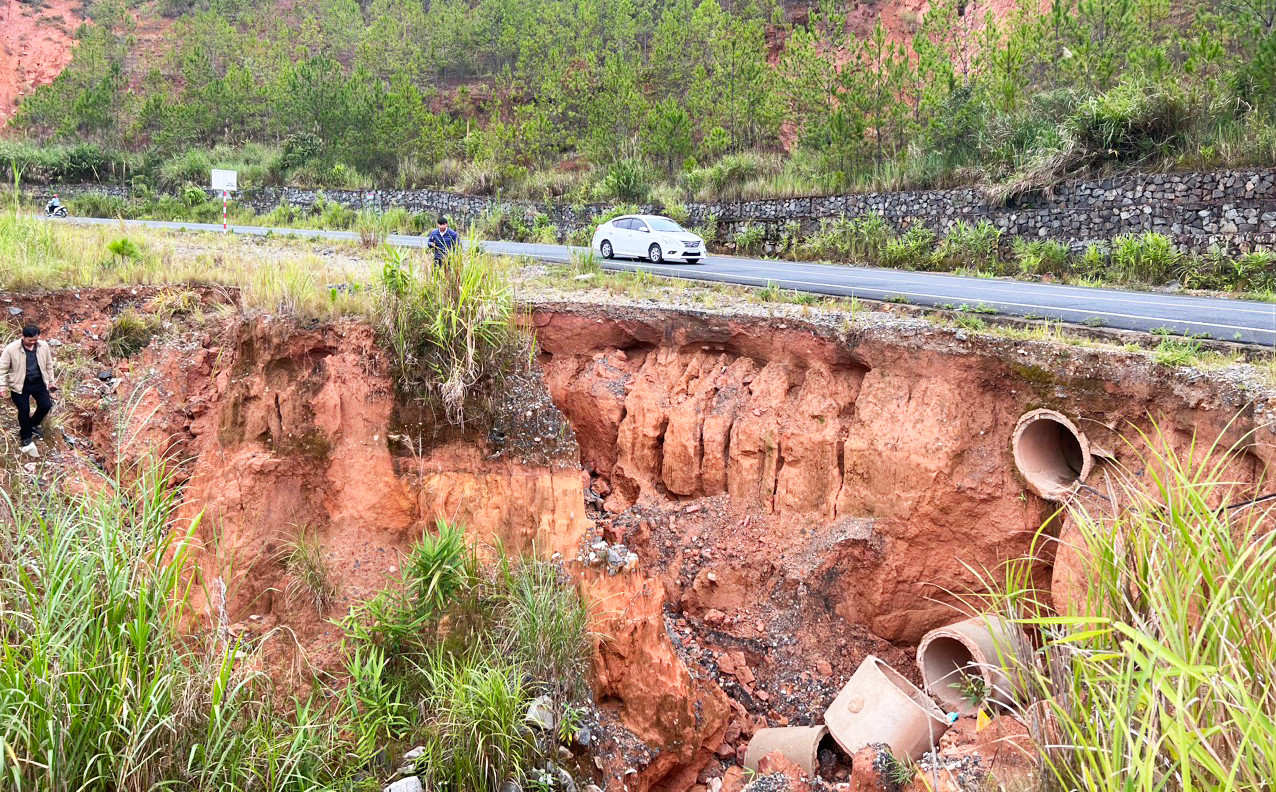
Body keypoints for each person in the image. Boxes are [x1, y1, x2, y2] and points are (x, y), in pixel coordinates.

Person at [0, 324, 57, 458]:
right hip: (20, 384)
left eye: (35, 339)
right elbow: (2, 369)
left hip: (38, 382)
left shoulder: (43, 346)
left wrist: (51, 382)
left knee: (46, 405)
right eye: (30, 340)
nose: (33, 342)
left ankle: (31, 424)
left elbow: (49, 365)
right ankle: (26, 436)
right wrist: (1, 385)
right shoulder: (11, 349)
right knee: (24, 410)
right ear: (23, 337)